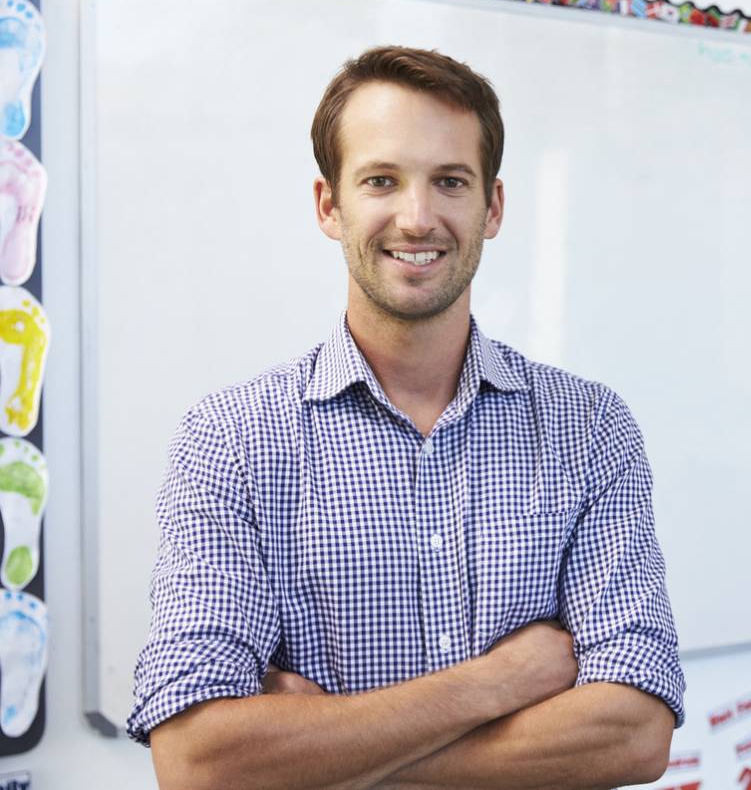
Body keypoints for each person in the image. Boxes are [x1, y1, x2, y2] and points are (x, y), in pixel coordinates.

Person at [127, 45, 685, 790]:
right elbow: (197, 759)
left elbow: (636, 732)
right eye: (381, 180)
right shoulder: (230, 439)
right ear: (331, 205)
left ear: (492, 207)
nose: (417, 218)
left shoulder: (589, 429)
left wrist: (336, 753)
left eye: (450, 181)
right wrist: (498, 681)